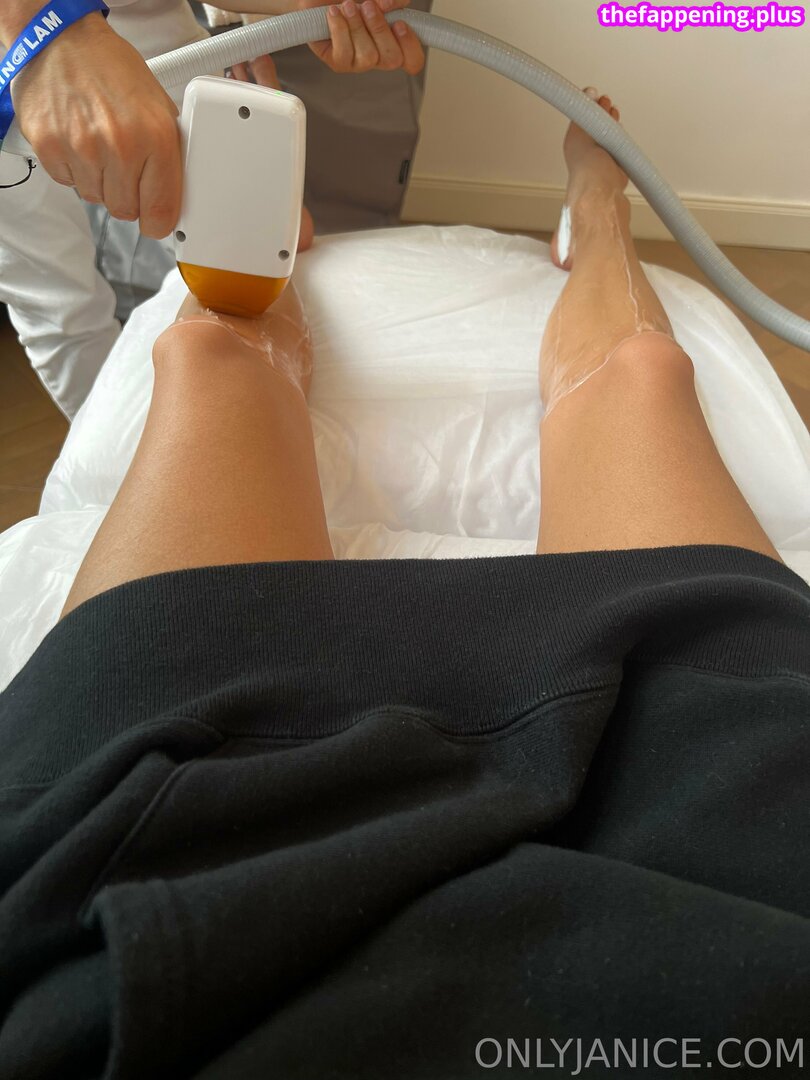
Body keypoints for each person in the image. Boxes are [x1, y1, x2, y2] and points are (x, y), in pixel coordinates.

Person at [1, 94, 808, 1078]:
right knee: (635, 371)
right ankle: (591, 211)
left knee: (217, 352)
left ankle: (578, 209)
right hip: (742, 855)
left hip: (156, 879)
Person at [0, 0, 428, 417]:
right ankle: (118, 443)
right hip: (35, 47)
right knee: (60, 302)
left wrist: (300, 5)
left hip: (111, 23)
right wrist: (43, 28)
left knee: (265, 238)